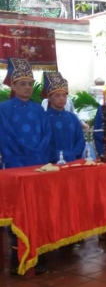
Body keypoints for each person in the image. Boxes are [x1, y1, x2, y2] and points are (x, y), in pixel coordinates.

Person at [0, 58, 51, 275]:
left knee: (38, 210)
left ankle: (38, 254)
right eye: (22, 83)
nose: (28, 87)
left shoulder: (39, 109)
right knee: (18, 212)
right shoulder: (3, 109)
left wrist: (38, 154)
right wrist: (23, 156)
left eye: (30, 83)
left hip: (38, 167)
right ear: (12, 85)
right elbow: (6, 137)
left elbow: (46, 134)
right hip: (15, 167)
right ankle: (17, 258)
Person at [43, 72, 85, 163]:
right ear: (49, 98)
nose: (61, 98)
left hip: (73, 162)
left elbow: (80, 140)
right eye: (57, 95)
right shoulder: (44, 118)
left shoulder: (73, 118)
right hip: (52, 164)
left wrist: (72, 154)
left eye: (64, 95)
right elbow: (43, 144)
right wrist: (59, 156)